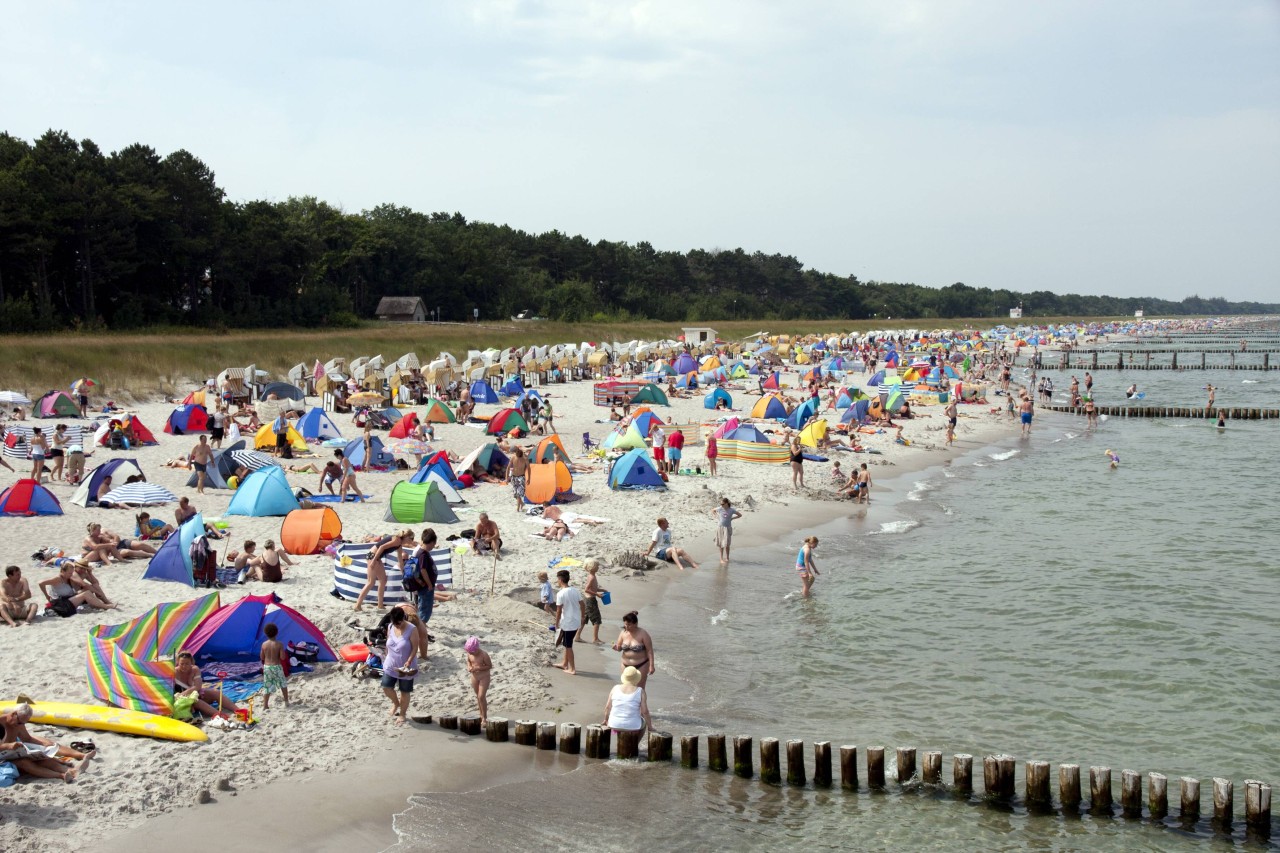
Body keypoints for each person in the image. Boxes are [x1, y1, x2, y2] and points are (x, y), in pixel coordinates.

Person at [1, 704, 95, 782]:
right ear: (13, 714)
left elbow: (27, 739)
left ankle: (72, 770)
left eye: (23, 724)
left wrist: (43, 746)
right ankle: (61, 775)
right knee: (25, 762)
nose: (21, 726)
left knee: (45, 752)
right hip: (3, 758)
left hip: (12, 754)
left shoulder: (18, 723)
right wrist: (7, 746)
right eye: (20, 723)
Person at [355, 529, 413, 612]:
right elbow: (382, 547)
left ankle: (380, 605)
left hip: (375, 557)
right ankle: (357, 605)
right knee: (371, 582)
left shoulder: (399, 545)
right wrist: (374, 561)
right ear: (407, 537)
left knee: (383, 580)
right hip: (373, 556)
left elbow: (400, 559)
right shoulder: (397, 540)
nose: (412, 540)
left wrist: (403, 572)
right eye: (412, 538)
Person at [380, 607, 419, 725]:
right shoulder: (391, 626)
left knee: (404, 691)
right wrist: (385, 656)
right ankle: (396, 703)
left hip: (406, 666)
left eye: (399, 623)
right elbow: (388, 643)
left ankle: (402, 714)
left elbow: (415, 648)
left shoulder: (412, 629)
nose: (397, 626)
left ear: (403, 618)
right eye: (395, 623)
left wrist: (409, 661)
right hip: (390, 663)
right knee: (386, 687)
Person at [174, 651, 239, 715]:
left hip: (196, 694)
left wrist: (186, 693)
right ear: (178, 663)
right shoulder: (174, 672)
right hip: (182, 700)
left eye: (187, 664)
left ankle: (238, 710)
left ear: (191, 662)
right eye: (181, 664)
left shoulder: (195, 669)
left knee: (216, 692)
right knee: (197, 702)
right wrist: (180, 696)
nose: (184, 666)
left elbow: (198, 686)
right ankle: (219, 715)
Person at [39, 563, 115, 612]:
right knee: (86, 594)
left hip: (68, 598)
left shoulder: (67, 578)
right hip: (61, 603)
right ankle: (105, 606)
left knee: (88, 590)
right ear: (62, 571)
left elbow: (94, 583)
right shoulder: (57, 579)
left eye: (72, 573)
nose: (71, 575)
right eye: (69, 573)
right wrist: (47, 596)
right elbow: (41, 583)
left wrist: (89, 573)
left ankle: (101, 604)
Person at [407, 528, 439, 638]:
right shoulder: (423, 554)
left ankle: (420, 627)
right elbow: (423, 570)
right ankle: (421, 630)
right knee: (425, 609)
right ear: (431, 542)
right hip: (425, 587)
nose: (434, 546)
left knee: (422, 607)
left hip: (422, 586)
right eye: (434, 544)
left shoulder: (420, 551)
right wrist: (429, 584)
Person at [603, 665, 652, 736]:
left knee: (619, 724)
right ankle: (636, 743)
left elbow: (608, 707)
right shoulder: (640, 691)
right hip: (633, 726)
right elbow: (645, 712)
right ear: (636, 678)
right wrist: (650, 727)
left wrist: (605, 720)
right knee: (643, 722)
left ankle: (621, 741)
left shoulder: (615, 688)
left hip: (613, 724)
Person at [611, 611, 656, 688]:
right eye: (625, 624)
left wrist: (651, 665)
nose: (626, 627)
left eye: (629, 625)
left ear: (635, 624)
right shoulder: (623, 633)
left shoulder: (643, 634)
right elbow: (619, 648)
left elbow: (649, 651)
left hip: (641, 665)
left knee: (640, 689)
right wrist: (616, 647)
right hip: (625, 664)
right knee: (625, 687)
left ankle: (642, 700)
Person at [554, 569, 584, 675]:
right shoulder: (575, 590)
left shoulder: (560, 593)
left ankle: (572, 669)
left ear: (561, 579)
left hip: (568, 623)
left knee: (568, 646)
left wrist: (556, 623)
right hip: (576, 621)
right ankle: (564, 663)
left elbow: (558, 610)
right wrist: (583, 616)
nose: (557, 581)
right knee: (567, 643)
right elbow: (582, 604)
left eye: (558, 579)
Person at [259, 623, 289, 710]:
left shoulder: (264, 644)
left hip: (267, 667)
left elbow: (262, 657)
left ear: (266, 633)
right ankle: (286, 702)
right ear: (277, 632)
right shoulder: (279, 644)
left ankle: (265, 705)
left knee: (267, 686)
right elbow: (282, 657)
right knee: (283, 684)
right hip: (277, 667)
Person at [464, 636, 492, 726]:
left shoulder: (484, 654)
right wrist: (469, 667)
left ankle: (484, 717)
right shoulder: (470, 654)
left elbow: (489, 666)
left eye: (473, 651)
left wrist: (479, 667)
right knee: (478, 697)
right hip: (474, 677)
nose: (472, 653)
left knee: (481, 696)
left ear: (477, 648)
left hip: (484, 676)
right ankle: (481, 715)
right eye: (470, 652)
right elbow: (468, 661)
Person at [581, 559, 607, 644]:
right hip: (590, 600)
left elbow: (593, 588)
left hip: (587, 599)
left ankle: (577, 636)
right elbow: (587, 589)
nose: (598, 567)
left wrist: (601, 589)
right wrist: (597, 594)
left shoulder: (591, 576)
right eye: (597, 566)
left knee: (584, 619)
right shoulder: (592, 577)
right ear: (592, 568)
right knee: (597, 619)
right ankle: (595, 639)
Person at [712, 497, 742, 565]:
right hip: (720, 527)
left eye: (722, 504)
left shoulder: (731, 510)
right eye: (721, 504)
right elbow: (713, 510)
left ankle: (727, 558)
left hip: (727, 528)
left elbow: (740, 515)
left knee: (727, 544)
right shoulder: (720, 508)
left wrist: (732, 518)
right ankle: (721, 559)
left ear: (726, 503)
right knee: (721, 544)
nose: (721, 505)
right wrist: (716, 516)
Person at [508, 446, 529, 512]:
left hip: (521, 476)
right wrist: (506, 477)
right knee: (515, 494)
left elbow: (528, 468)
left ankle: (517, 508)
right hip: (514, 476)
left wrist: (529, 478)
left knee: (519, 494)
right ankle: (522, 503)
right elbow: (508, 467)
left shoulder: (524, 457)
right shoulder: (513, 457)